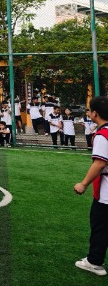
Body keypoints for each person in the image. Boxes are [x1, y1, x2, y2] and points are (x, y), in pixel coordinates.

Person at [73, 96, 108, 276]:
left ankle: (94, 262)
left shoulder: (102, 135)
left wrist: (83, 184)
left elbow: (100, 163)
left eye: (89, 110)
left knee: (100, 226)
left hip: (106, 194)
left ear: (94, 114)